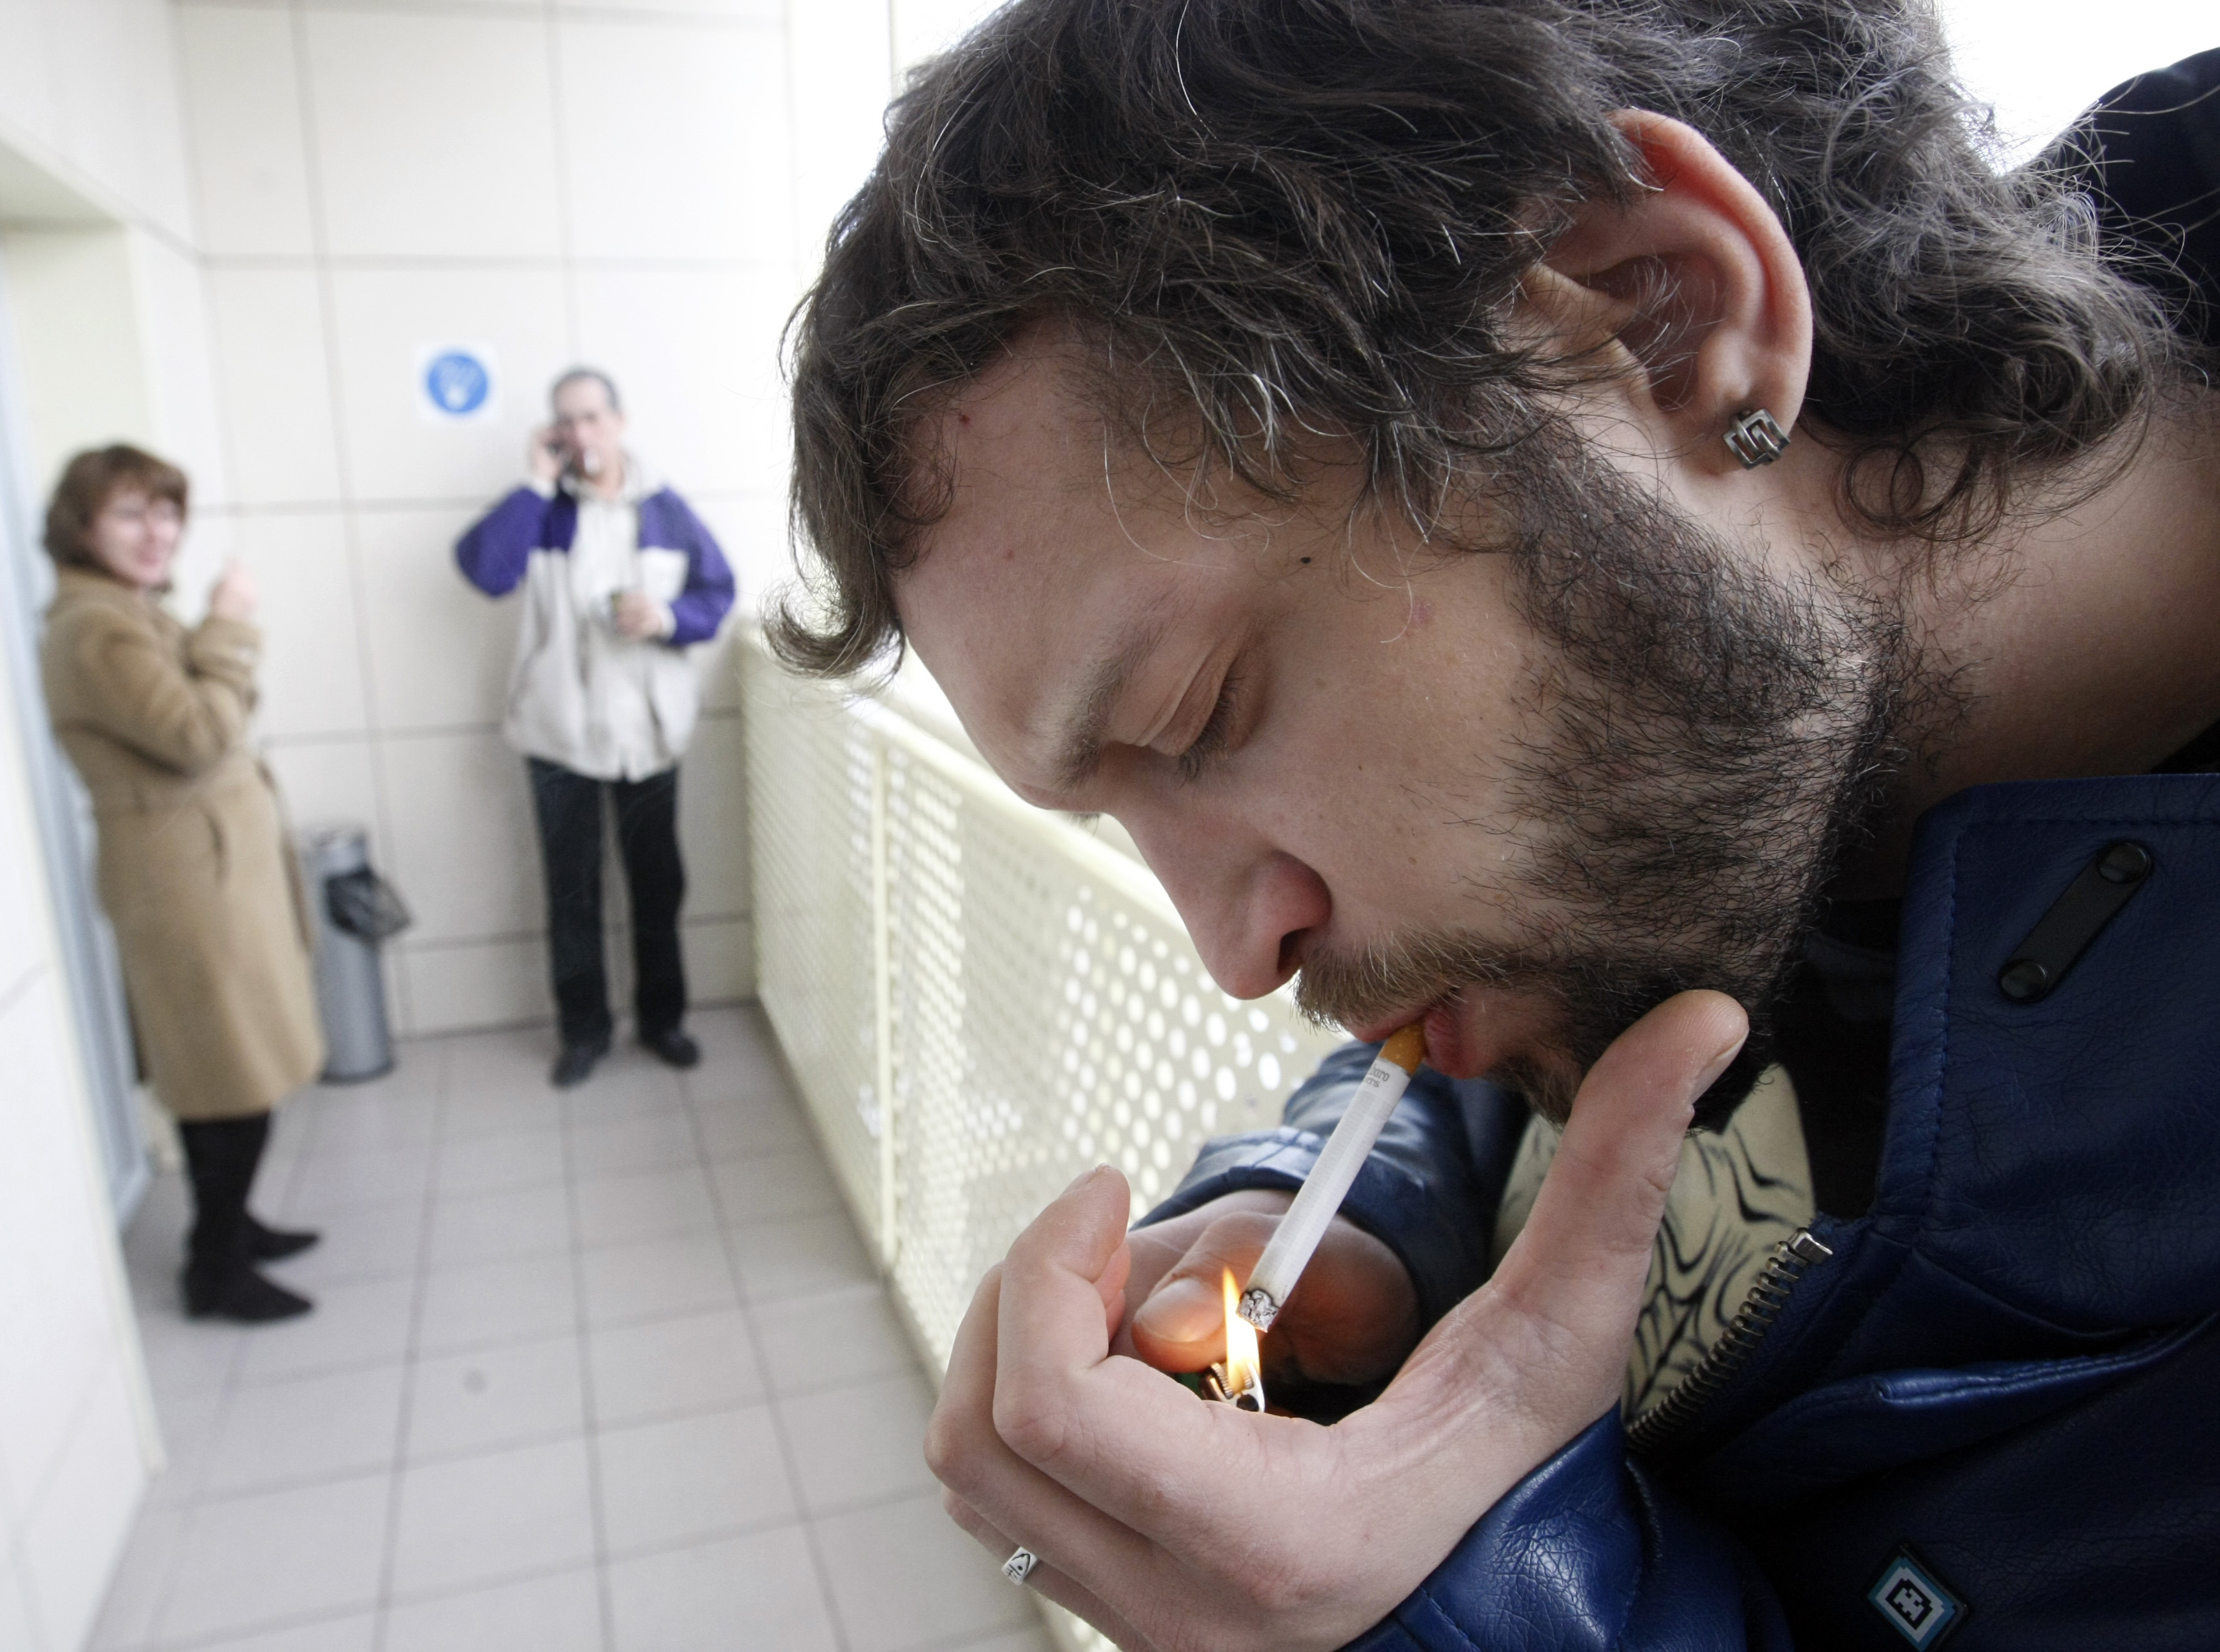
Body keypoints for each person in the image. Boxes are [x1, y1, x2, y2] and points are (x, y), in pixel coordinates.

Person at [776, 4, 2220, 1647]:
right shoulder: (1706, 791)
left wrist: (1458, 1619)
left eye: (1199, 715)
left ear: (1662, 321)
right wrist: (1346, 1212)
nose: (1237, 956)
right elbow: (1518, 1014)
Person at [38, 445, 326, 1324]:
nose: (157, 532)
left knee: (229, 1071)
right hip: (186, 888)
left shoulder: (126, 611)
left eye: (167, 513)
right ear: (81, 527)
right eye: (130, 514)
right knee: (225, 1079)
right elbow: (199, 734)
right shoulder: (97, 630)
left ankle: (232, 1228)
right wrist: (228, 625)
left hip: (204, 875)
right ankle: (215, 1265)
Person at [456, 368, 737, 1087]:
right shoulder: (544, 511)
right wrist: (534, 481)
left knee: (657, 886)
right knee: (572, 893)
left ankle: (663, 1021)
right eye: (566, 421)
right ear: (553, 433)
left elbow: (718, 592)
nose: (580, 432)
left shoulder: (665, 510)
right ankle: (583, 1033)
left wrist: (665, 617)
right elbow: (485, 571)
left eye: (590, 417)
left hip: (649, 737)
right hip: (560, 737)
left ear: (619, 420)